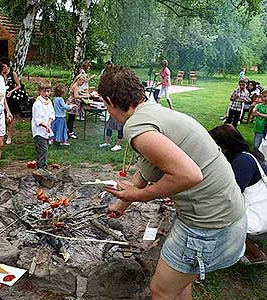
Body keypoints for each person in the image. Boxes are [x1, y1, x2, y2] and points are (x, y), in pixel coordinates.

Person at [99, 66, 246, 300]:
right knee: (178, 285)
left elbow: (190, 175)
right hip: (228, 216)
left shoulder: (135, 126)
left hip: (208, 227)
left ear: (109, 101)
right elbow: (146, 171)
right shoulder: (155, 114)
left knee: (161, 291)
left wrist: (137, 196)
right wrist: (121, 204)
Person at [209, 124, 267, 264]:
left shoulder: (243, 161)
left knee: (222, 220)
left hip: (259, 214)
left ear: (224, 146)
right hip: (258, 207)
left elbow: (231, 194)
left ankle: (255, 255)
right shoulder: (242, 157)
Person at [1, 57, 29, 145]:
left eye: (4, 66)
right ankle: (5, 131)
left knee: (11, 117)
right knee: (3, 117)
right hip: (2, 98)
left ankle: (9, 136)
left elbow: (19, 85)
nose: (3, 68)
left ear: (7, 66)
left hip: (12, 98)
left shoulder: (12, 73)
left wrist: (11, 91)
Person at [32, 80, 55, 169]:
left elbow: (51, 114)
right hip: (39, 131)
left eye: (48, 91)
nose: (46, 93)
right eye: (44, 91)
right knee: (43, 149)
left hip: (46, 130)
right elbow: (38, 119)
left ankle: (41, 165)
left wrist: (49, 123)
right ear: (39, 91)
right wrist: (45, 125)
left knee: (44, 149)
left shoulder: (49, 102)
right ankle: (41, 167)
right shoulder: (37, 104)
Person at [67, 74, 88, 139]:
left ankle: (68, 131)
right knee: (71, 119)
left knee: (70, 118)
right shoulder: (75, 86)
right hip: (73, 104)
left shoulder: (75, 85)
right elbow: (76, 96)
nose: (82, 84)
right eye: (82, 82)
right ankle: (70, 133)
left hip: (71, 103)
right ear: (79, 80)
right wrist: (85, 96)